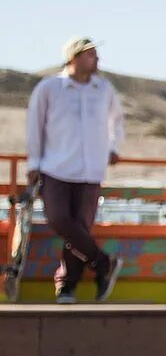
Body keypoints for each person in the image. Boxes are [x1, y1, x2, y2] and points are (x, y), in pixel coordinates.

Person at [26, 37, 125, 304]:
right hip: (55, 167)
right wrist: (33, 164)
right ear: (74, 58)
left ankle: (66, 286)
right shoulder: (50, 88)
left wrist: (114, 146)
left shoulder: (103, 89)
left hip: (91, 169)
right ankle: (104, 263)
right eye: (91, 55)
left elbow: (116, 120)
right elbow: (35, 125)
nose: (97, 60)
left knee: (80, 229)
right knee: (59, 219)